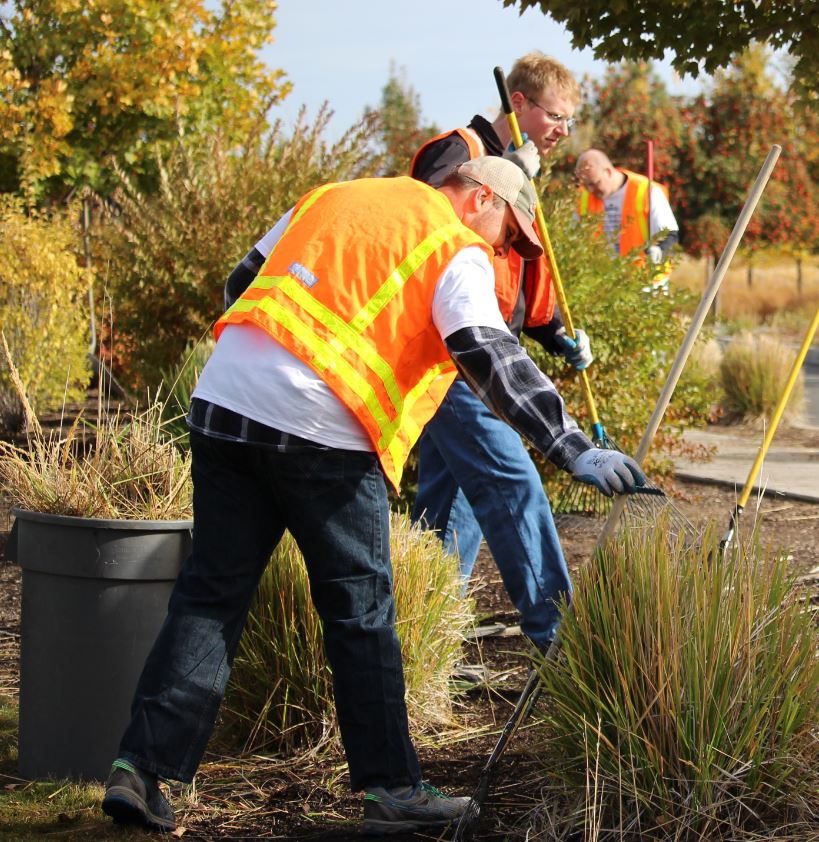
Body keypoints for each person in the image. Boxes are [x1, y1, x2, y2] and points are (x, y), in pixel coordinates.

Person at [100, 156, 645, 837]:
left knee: (210, 596)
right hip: (320, 431)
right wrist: (572, 448)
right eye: (510, 231)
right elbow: (487, 350)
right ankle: (389, 790)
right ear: (478, 198)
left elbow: (241, 281)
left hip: (224, 403)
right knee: (360, 612)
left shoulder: (335, 194)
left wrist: (270, 370)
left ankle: (141, 771)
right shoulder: (455, 246)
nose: (504, 249)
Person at [409, 52, 590, 653]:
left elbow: (514, 281)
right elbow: (429, 231)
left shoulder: (526, 171)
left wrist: (557, 334)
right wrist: (502, 170)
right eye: (557, 116)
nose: (563, 130)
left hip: (487, 344)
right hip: (455, 353)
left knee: (448, 501)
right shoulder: (457, 152)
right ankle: (562, 645)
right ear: (519, 103)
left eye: (569, 122)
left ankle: (423, 638)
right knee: (513, 482)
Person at [575, 148, 679, 291]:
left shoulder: (647, 191)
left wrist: (659, 251)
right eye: (585, 185)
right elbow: (573, 237)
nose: (590, 190)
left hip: (646, 284)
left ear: (608, 172)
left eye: (594, 183)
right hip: (604, 285)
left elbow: (670, 234)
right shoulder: (584, 197)